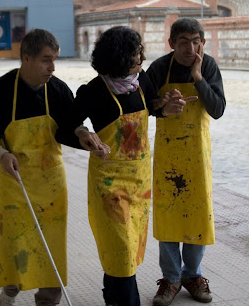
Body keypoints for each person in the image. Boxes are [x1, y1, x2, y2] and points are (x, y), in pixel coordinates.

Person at [0, 28, 108, 306]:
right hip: (14, 183)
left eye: (55, 59)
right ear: (26, 58)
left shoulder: (57, 90)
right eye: (46, 60)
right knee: (16, 244)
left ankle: (48, 299)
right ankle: (10, 289)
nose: (52, 67)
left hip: (52, 186)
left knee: (51, 250)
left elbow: (71, 125)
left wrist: (84, 135)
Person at [69, 26, 185, 306]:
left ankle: (113, 298)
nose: (142, 57)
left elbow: (153, 106)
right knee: (120, 249)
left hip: (140, 184)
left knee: (126, 249)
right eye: (136, 53)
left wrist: (165, 108)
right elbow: (65, 123)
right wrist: (82, 132)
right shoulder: (94, 91)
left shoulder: (141, 80)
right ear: (119, 57)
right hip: (109, 186)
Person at [146, 18, 225, 305]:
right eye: (183, 42)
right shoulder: (157, 68)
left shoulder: (209, 66)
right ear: (172, 44)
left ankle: (193, 274)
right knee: (167, 215)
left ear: (202, 43)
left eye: (196, 42)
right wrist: (163, 106)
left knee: (197, 212)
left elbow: (217, 109)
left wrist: (198, 77)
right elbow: (143, 104)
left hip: (197, 154)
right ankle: (171, 278)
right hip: (167, 154)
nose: (190, 48)